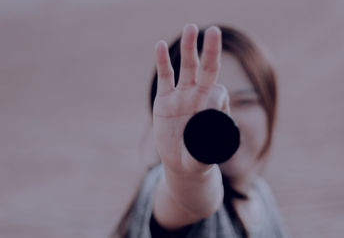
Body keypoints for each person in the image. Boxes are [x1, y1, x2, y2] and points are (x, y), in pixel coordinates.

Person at [113, 24, 289, 238]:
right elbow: (189, 199)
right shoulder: (164, 182)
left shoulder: (260, 193)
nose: (227, 118)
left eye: (245, 101)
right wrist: (188, 176)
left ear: (270, 108)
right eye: (206, 108)